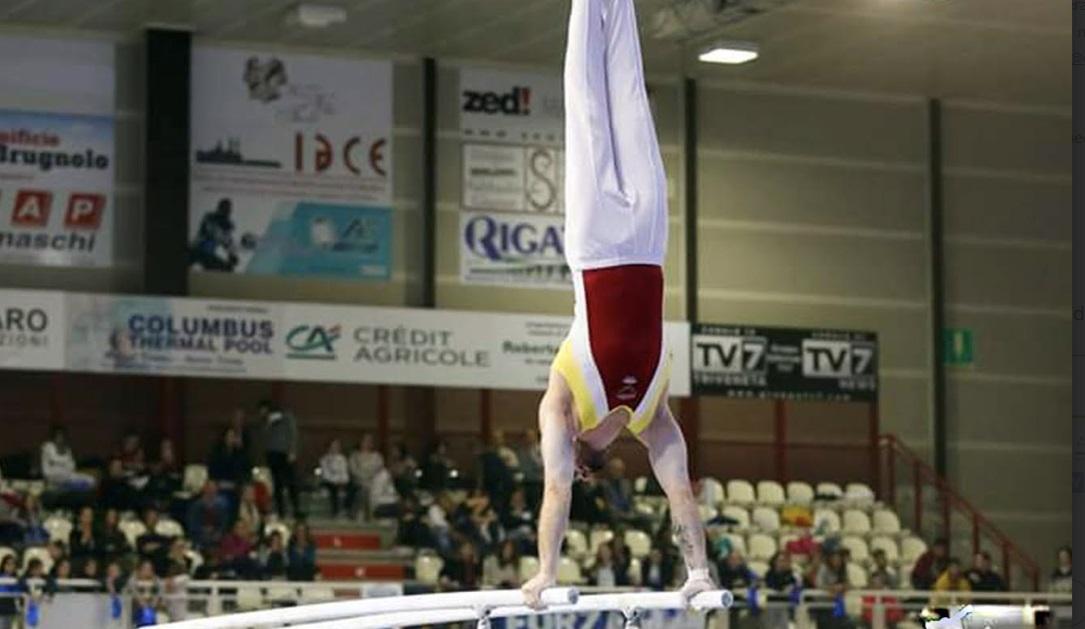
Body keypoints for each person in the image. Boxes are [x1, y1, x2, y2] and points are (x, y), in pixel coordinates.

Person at [521, 0, 713, 607]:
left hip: (627, 241)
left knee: (607, 100)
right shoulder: (619, 413)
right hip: (625, 243)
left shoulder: (632, 414)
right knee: (608, 96)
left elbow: (678, 496)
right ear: (585, 464)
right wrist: (545, 573)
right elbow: (559, 492)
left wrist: (700, 573)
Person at [259, 400, 301, 519]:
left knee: (292, 482)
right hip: (272, 454)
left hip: (285, 453)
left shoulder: (287, 417)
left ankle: (296, 508)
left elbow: (293, 433)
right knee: (277, 483)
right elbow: (263, 436)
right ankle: (281, 510)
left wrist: (292, 450)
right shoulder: (264, 421)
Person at [190, 198, 239, 272]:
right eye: (225, 208)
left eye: (229, 208)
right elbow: (215, 233)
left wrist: (232, 254)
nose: (228, 211)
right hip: (196, 249)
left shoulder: (227, 223)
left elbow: (228, 241)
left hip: (207, 254)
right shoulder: (209, 217)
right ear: (220, 208)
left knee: (227, 268)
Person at [40, 426, 95, 491]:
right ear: (53, 437)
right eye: (58, 436)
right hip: (53, 478)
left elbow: (72, 468)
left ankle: (74, 488)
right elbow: (46, 471)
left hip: (68, 477)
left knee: (91, 480)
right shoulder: (47, 447)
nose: (60, 438)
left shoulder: (67, 450)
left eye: (62, 436)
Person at [186, 481, 229, 551]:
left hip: (216, 535)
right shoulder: (196, 506)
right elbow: (192, 522)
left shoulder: (221, 507)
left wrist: (218, 532)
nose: (211, 491)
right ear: (204, 489)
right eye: (209, 488)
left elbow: (224, 523)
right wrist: (202, 530)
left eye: (213, 488)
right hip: (199, 535)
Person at [348, 434, 384, 519]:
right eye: (365, 441)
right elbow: (353, 470)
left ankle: (363, 513)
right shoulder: (354, 456)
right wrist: (363, 477)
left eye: (369, 441)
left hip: (373, 481)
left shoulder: (377, 456)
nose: (367, 443)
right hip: (358, 480)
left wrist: (368, 476)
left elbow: (378, 469)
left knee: (368, 488)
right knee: (363, 488)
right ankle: (365, 513)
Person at [319, 439, 351, 518]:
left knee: (354, 487)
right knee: (333, 489)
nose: (335, 448)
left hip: (341, 481)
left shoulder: (342, 459)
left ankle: (347, 509)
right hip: (329, 481)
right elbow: (326, 474)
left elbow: (344, 472)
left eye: (337, 446)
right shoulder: (324, 459)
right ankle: (335, 512)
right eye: (333, 446)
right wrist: (336, 481)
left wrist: (343, 481)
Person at [0, 556, 18, 629]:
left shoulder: (17, 579)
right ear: (3, 565)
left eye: (13, 564)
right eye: (8, 564)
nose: (11, 566)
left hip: (11, 610)